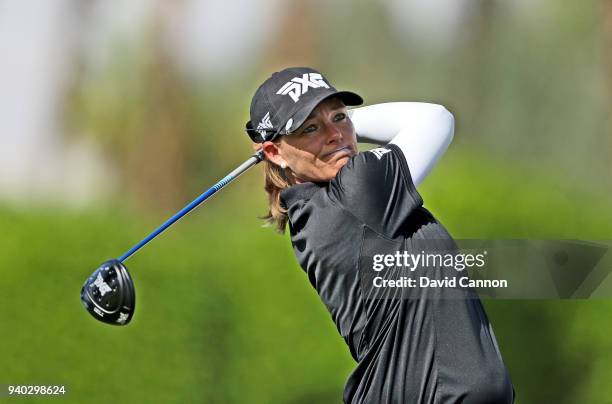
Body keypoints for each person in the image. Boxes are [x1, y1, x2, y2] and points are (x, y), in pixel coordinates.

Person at [245, 67, 515, 404]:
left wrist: (331, 121)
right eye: (309, 128)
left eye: (339, 117)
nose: (335, 134)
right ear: (273, 152)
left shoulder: (319, 210)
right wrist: (348, 118)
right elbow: (434, 119)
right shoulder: (357, 193)